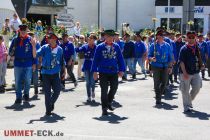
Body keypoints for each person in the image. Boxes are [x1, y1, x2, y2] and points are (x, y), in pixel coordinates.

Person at [91, 29, 126, 116]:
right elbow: (95, 60)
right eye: (108, 36)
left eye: (112, 36)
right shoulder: (99, 47)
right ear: (105, 37)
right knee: (104, 90)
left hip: (114, 71)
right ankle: (104, 108)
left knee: (114, 87)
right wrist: (94, 71)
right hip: (103, 71)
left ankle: (109, 102)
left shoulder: (116, 46)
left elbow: (120, 59)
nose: (110, 38)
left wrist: (122, 70)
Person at [36, 33, 66, 116]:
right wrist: (33, 45)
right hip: (45, 74)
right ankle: (48, 110)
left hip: (55, 74)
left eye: (51, 39)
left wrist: (64, 72)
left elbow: (62, 62)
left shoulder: (60, 49)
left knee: (57, 91)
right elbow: (36, 55)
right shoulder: (44, 48)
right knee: (47, 93)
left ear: (55, 39)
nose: (50, 40)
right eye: (48, 39)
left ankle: (51, 103)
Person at [9, 24, 37, 104]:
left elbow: (34, 54)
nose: (23, 32)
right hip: (18, 63)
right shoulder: (15, 40)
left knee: (28, 81)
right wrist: (11, 56)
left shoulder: (31, 40)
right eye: (22, 30)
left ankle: (26, 94)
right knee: (17, 81)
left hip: (28, 63)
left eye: (24, 30)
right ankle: (18, 97)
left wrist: (34, 63)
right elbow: (11, 52)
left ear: (27, 30)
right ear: (19, 31)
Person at [179, 31, 204, 112]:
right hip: (185, 73)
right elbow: (181, 62)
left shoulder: (198, 47)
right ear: (187, 38)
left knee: (197, 88)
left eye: (193, 37)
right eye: (189, 37)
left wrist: (202, 64)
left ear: (195, 37)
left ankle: (189, 101)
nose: (191, 39)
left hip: (196, 72)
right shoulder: (184, 48)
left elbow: (200, 57)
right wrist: (185, 73)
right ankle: (186, 106)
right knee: (185, 90)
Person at [148, 30, 173, 105]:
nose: (162, 37)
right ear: (157, 36)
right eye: (161, 35)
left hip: (165, 66)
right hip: (156, 66)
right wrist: (152, 58)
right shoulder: (153, 45)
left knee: (165, 82)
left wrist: (170, 67)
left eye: (163, 36)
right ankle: (158, 98)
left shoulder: (167, 45)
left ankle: (159, 94)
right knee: (156, 83)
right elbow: (149, 55)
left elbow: (170, 57)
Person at [75, 34, 97, 102]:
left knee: (92, 82)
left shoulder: (97, 47)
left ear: (94, 40)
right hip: (86, 65)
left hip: (93, 66)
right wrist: (75, 43)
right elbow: (78, 50)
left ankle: (93, 91)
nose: (89, 39)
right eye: (89, 38)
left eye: (91, 38)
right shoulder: (85, 46)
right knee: (87, 82)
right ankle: (89, 96)